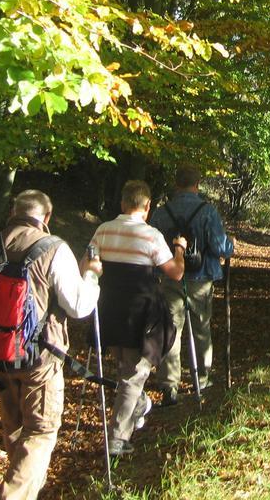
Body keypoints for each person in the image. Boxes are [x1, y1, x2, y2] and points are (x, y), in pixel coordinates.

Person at [0, 189, 102, 500]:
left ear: (12, 213)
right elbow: (79, 306)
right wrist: (92, 276)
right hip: (41, 358)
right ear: (46, 217)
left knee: (16, 429)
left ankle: (25, 488)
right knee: (40, 431)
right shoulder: (53, 249)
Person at [91, 179, 184, 455]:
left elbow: (88, 264)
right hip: (141, 314)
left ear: (122, 204)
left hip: (109, 310)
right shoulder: (151, 235)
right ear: (147, 207)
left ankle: (139, 403)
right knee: (133, 373)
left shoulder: (103, 230)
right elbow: (175, 273)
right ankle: (118, 438)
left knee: (126, 368)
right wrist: (179, 248)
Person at [149, 164, 235, 405]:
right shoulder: (207, 211)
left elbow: (151, 244)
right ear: (197, 185)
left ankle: (169, 386)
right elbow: (220, 248)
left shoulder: (162, 212)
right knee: (201, 328)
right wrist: (231, 246)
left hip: (170, 277)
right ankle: (203, 378)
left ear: (176, 184)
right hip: (201, 278)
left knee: (171, 330)